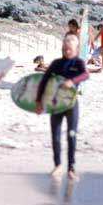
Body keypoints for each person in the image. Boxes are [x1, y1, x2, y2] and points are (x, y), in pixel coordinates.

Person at [35, 33, 90, 181]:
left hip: (71, 104)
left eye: (69, 49)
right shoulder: (56, 63)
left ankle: (71, 168)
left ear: (76, 49)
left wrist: (73, 81)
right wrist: (39, 102)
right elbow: (44, 81)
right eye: (65, 48)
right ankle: (58, 165)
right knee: (56, 135)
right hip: (56, 104)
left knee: (71, 135)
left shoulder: (78, 63)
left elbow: (85, 75)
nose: (67, 51)